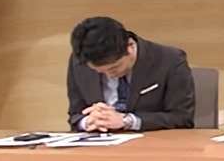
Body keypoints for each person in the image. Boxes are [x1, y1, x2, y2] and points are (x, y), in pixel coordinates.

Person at [65, 17, 196, 132]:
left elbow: (182, 118)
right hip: (99, 144)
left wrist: (128, 120)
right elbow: (75, 115)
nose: (108, 75)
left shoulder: (170, 60)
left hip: (151, 143)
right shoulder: (80, 62)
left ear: (130, 46)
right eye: (99, 71)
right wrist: (88, 121)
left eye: (114, 67)